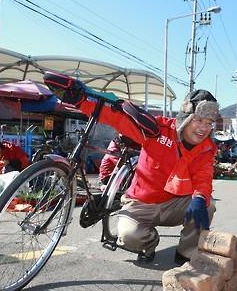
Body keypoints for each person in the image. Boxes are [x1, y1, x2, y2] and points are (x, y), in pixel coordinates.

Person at [67, 86, 220, 265]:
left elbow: (204, 175)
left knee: (207, 205)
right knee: (129, 235)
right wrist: (81, 102)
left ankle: (186, 253)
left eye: (209, 122)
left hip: (174, 204)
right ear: (186, 117)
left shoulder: (207, 147)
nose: (204, 128)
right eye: (199, 120)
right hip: (141, 203)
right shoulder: (157, 129)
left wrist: (200, 197)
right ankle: (149, 243)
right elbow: (118, 119)